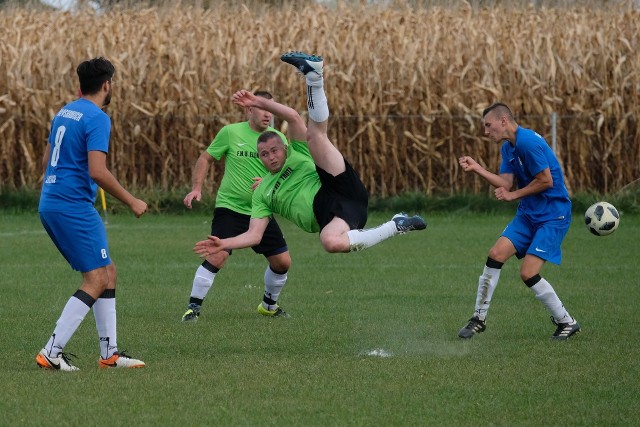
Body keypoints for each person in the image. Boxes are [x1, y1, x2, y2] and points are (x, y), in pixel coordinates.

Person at [194, 51, 426, 260]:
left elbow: (294, 117)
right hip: (336, 215)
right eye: (264, 154)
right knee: (330, 242)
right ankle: (397, 225)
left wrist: (258, 102)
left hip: (338, 184)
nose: (271, 157)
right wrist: (223, 242)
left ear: (285, 147)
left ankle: (314, 76)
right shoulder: (263, 192)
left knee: (315, 137)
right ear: (260, 158)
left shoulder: (296, 153)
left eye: (275, 150)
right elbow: (254, 236)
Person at [37, 57, 148, 371]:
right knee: (97, 278)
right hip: (72, 206)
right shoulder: (97, 117)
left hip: (53, 201)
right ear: (106, 85)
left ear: (79, 85)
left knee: (107, 271)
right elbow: (97, 172)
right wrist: (132, 200)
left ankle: (109, 354)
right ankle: (51, 351)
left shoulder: (64, 111)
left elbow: (47, 159)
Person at [457, 102, 580, 340]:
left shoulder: (528, 142)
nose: (486, 131)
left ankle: (566, 321)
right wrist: (478, 169)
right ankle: (478, 319)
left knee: (527, 273)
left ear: (503, 121)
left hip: (553, 215)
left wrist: (513, 195)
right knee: (495, 254)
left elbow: (546, 181)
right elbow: (505, 183)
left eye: (488, 125)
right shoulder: (508, 148)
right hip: (528, 214)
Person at [181, 91, 293, 321]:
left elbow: (287, 171)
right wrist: (197, 188)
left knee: (282, 262)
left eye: (271, 110)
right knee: (218, 254)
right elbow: (205, 158)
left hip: (260, 210)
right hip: (230, 208)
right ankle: (193, 308)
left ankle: (268, 306)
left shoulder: (276, 139)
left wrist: (269, 182)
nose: (267, 115)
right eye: (263, 108)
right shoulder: (231, 132)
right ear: (249, 109)